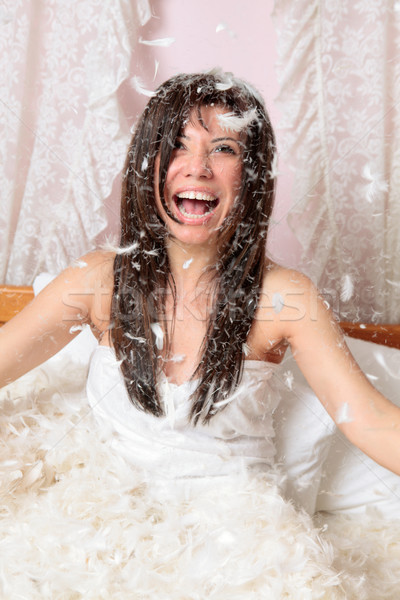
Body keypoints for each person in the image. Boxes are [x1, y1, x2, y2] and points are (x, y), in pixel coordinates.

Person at [1, 71, 400, 594]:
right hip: (104, 528)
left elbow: (369, 419)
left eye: (225, 149)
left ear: (252, 175)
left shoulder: (287, 298)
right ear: (149, 166)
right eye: (177, 146)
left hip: (235, 542)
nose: (197, 167)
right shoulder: (97, 280)